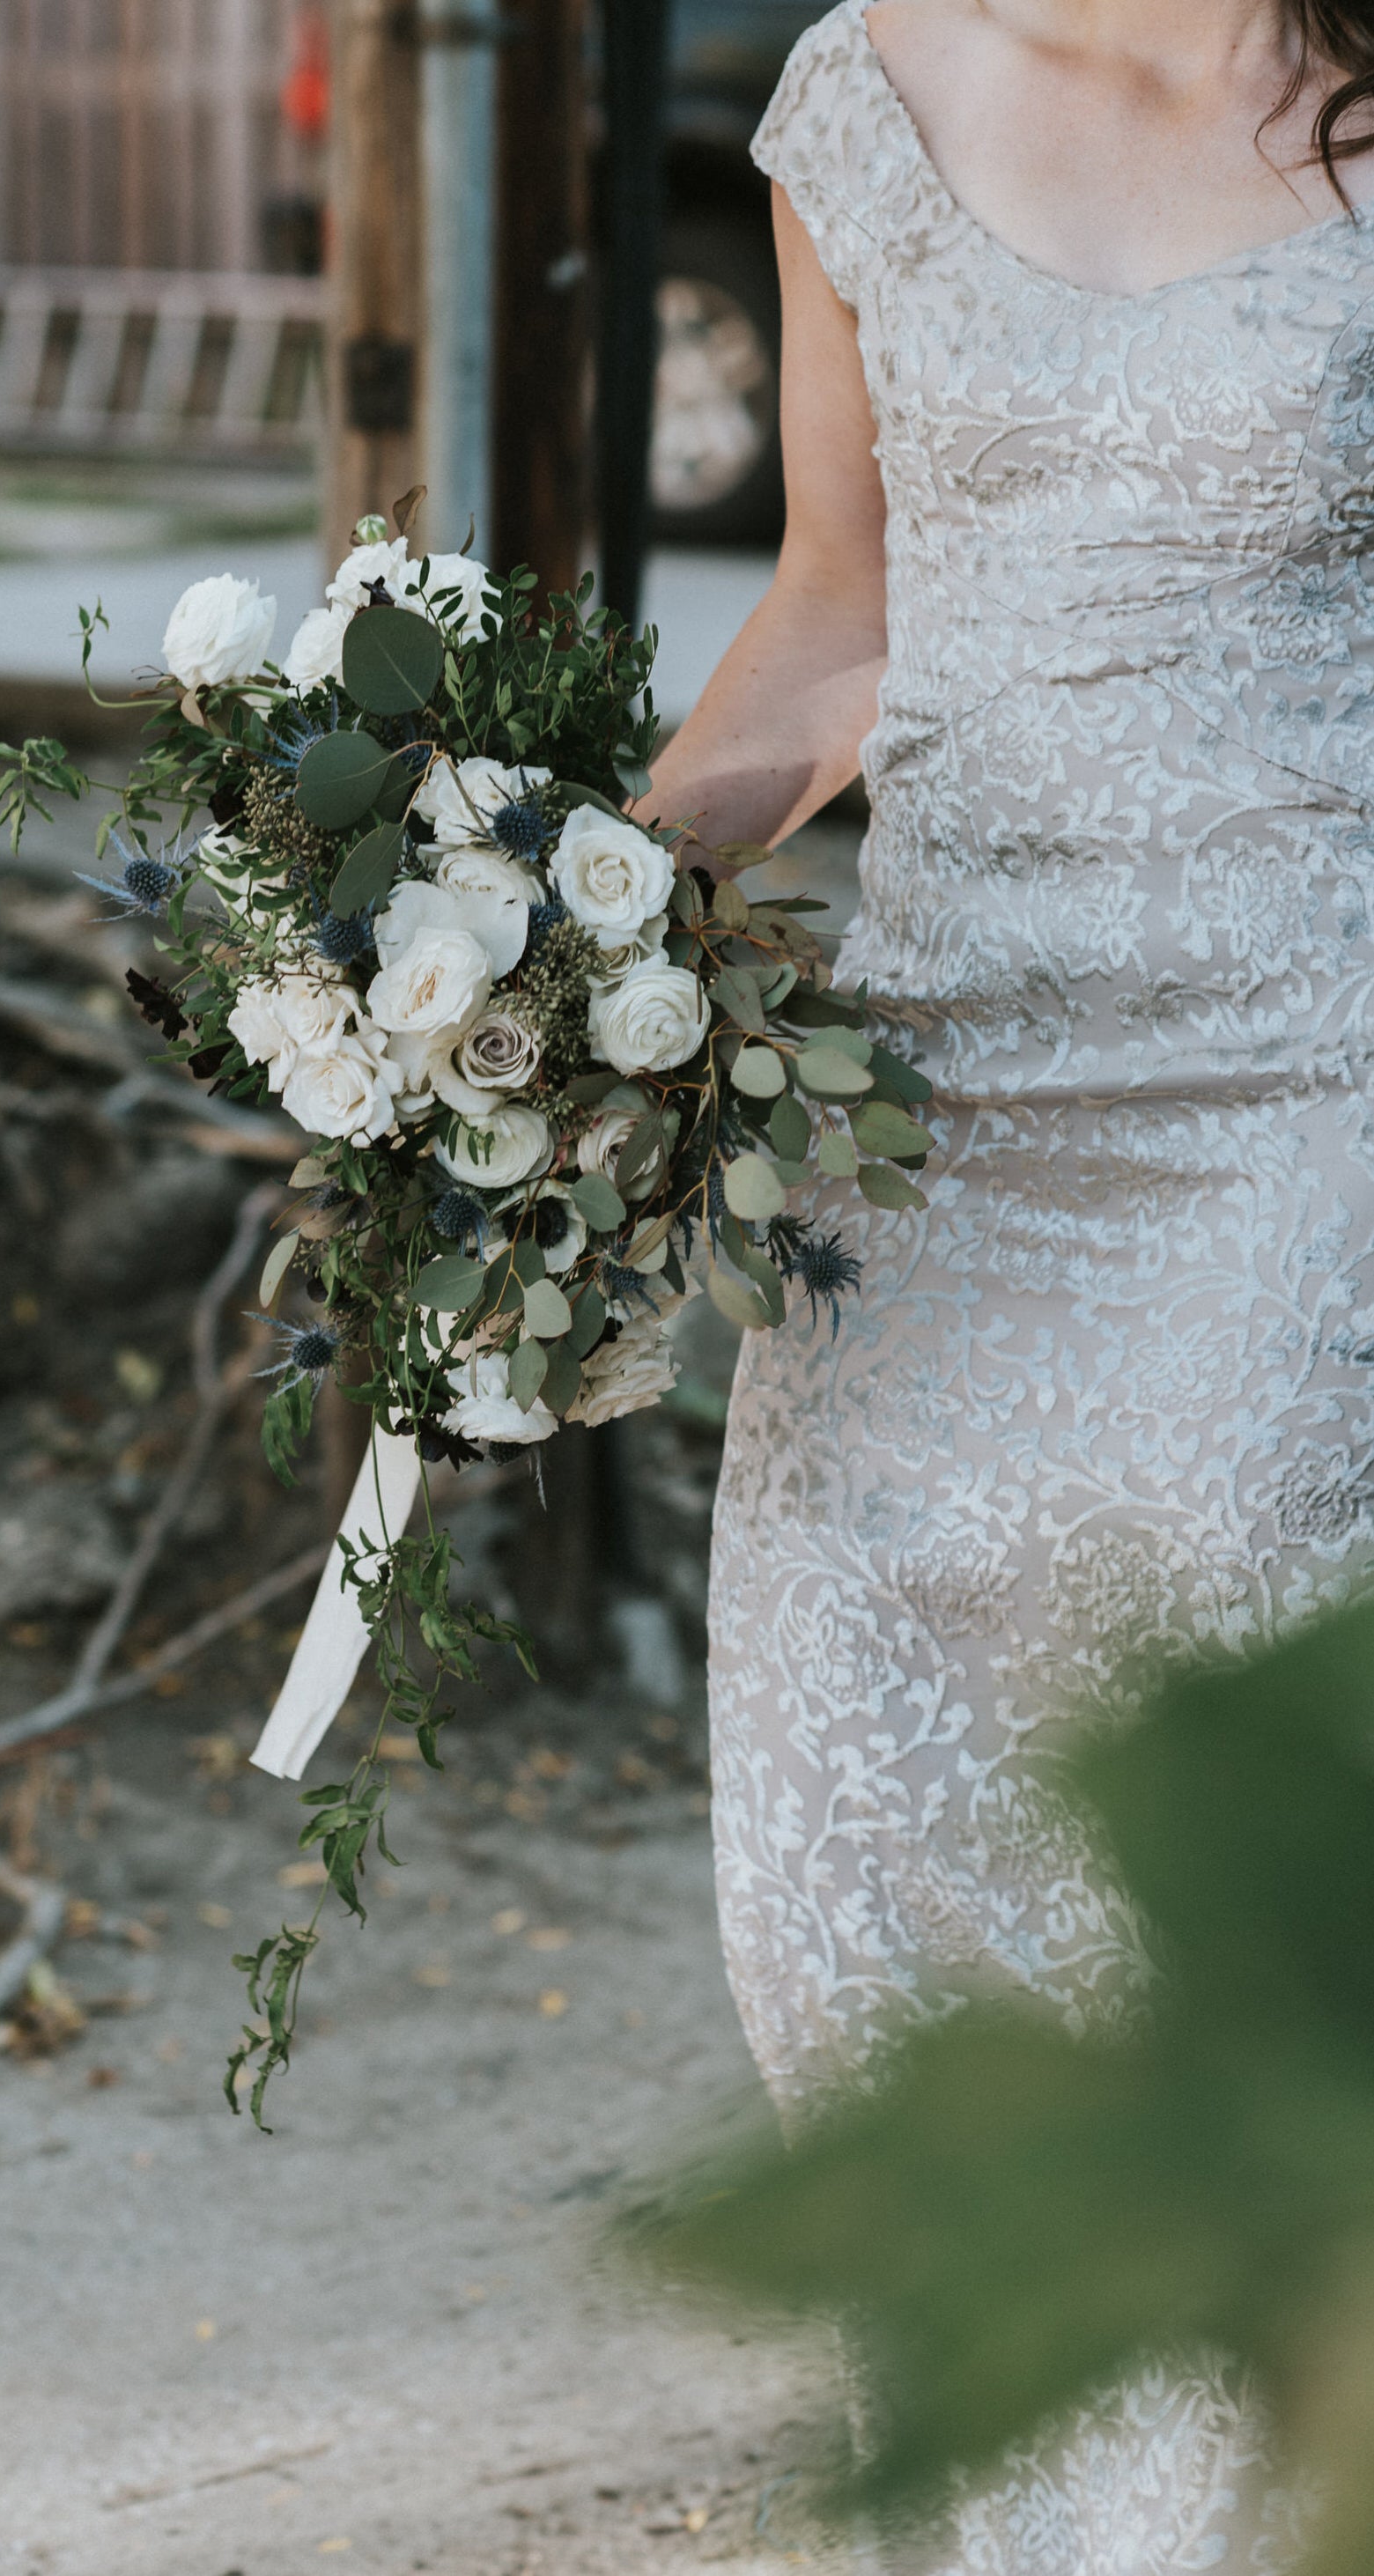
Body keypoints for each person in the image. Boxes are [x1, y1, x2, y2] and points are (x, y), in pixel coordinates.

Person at [650, 1, 1374, 2561]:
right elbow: (839, 618)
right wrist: (563, 928)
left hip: (1288, 1111)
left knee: (1189, 1892)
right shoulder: (858, 87)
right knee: (851, 1893)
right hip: (928, 1137)